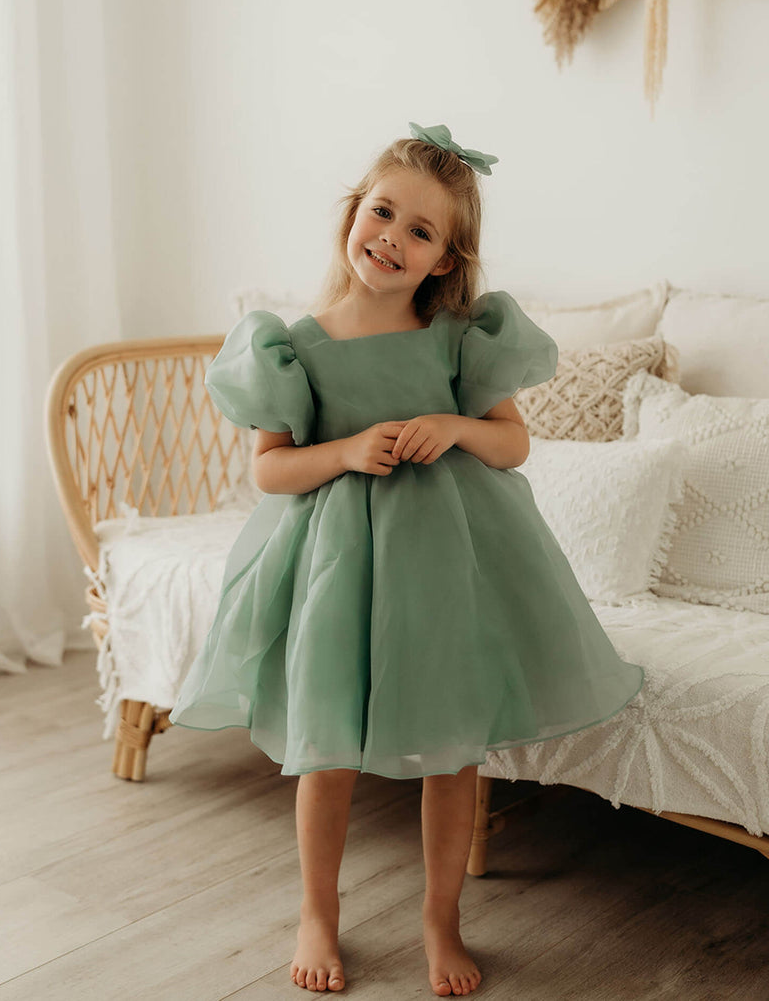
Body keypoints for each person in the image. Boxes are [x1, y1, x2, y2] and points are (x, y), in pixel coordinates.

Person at [168, 122, 645, 996]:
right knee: (329, 750)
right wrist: (346, 452)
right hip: (335, 569)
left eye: (419, 231)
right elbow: (270, 468)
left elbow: (511, 446)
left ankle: (440, 916)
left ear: (444, 260)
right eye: (382, 212)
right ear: (354, 213)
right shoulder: (294, 344)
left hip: (442, 570)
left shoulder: (459, 336)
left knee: (451, 748)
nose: (391, 236)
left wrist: (456, 426)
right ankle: (318, 910)